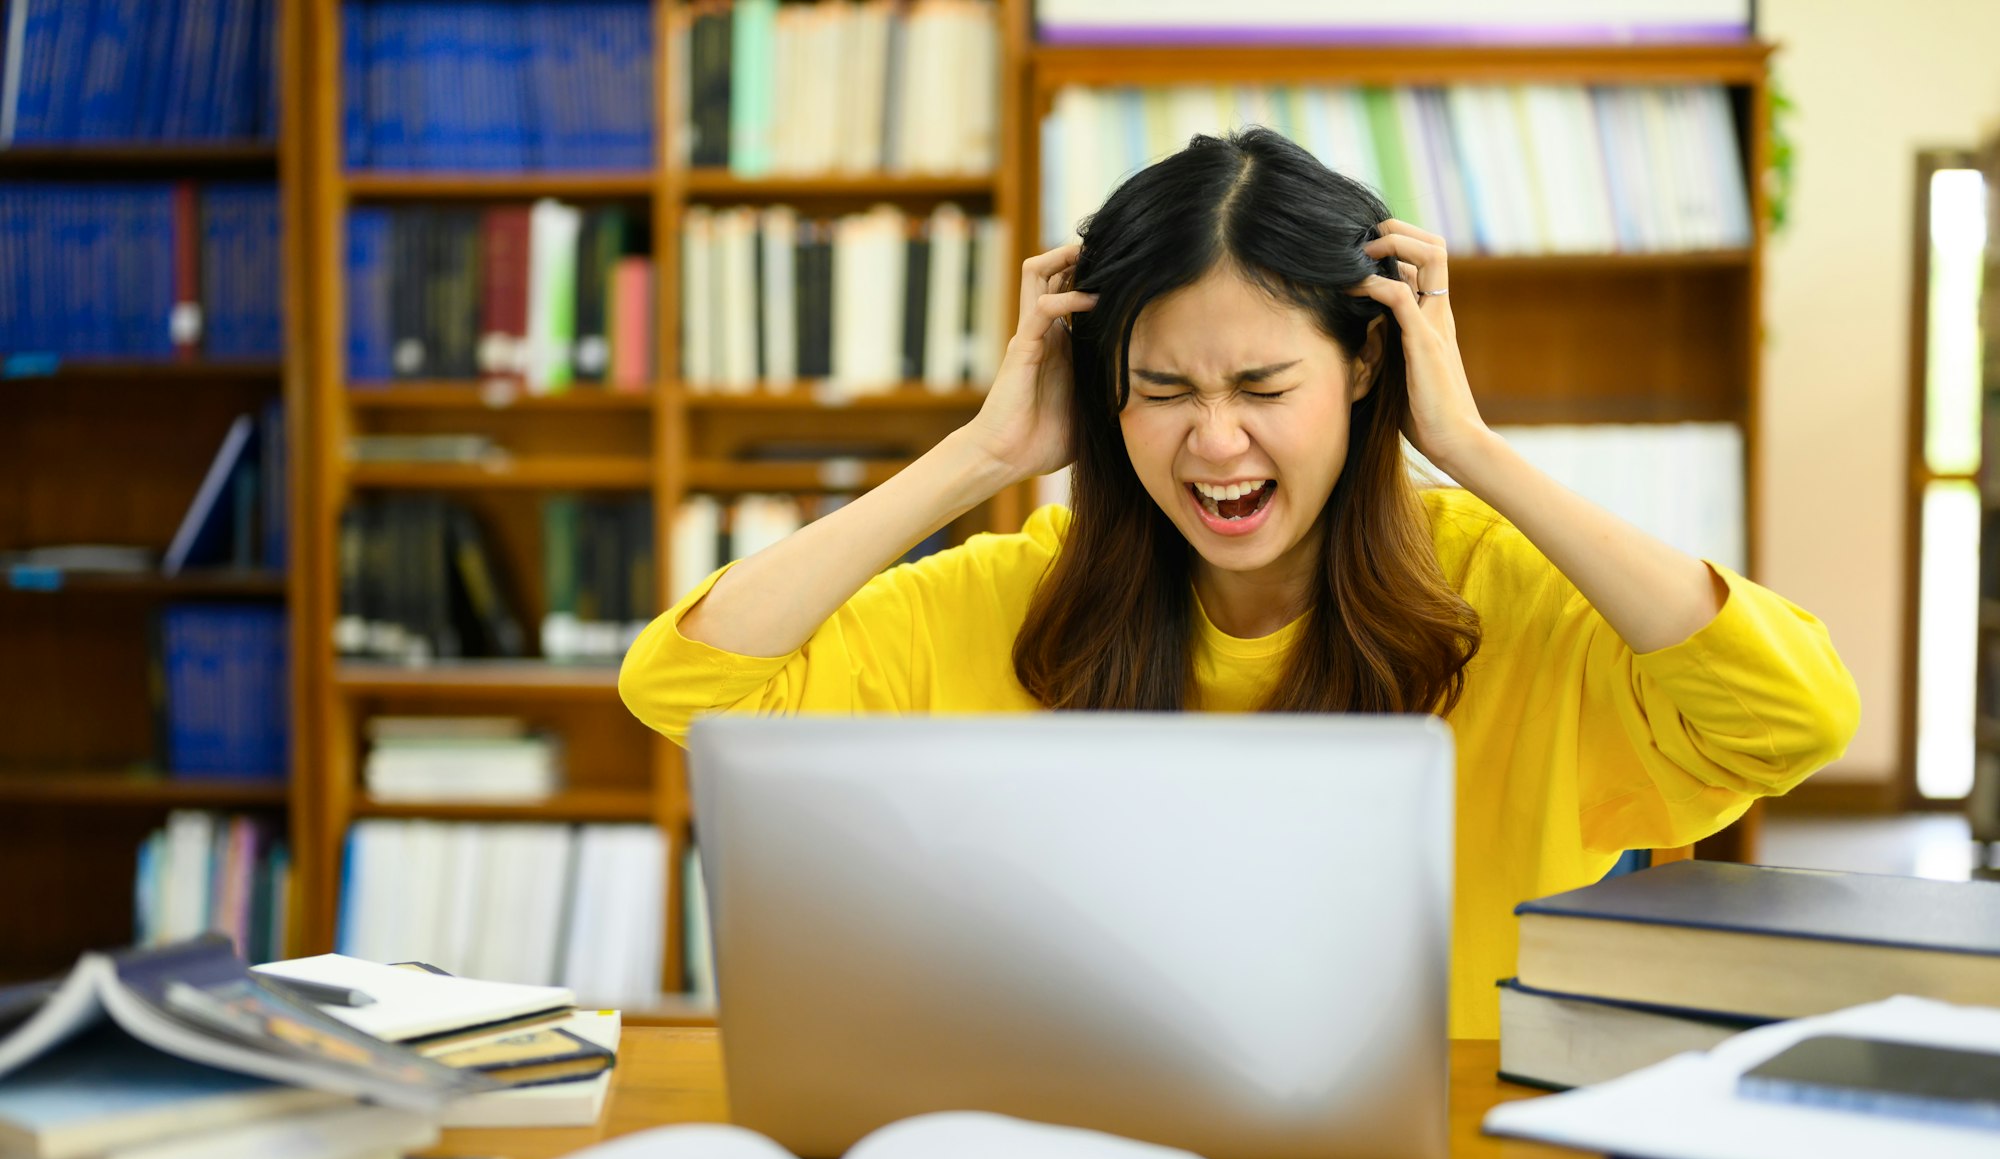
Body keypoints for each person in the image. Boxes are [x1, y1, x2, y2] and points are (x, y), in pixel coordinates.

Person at [620, 127, 1859, 1037]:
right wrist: (980, 454)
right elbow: (689, 687)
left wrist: (1472, 452)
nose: (1214, 446)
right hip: (1092, 1155)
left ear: (1370, 367)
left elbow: (1791, 715)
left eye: (1264, 390)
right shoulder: (1018, 594)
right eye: (1162, 391)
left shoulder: (1506, 598)